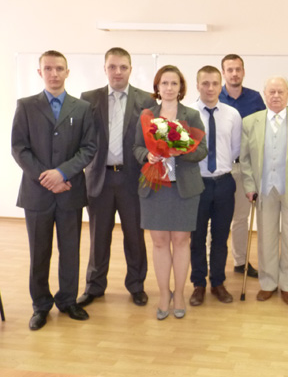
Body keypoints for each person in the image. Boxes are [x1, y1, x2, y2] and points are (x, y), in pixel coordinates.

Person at [11, 50, 97, 330]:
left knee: (70, 251)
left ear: (67, 72)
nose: (54, 73)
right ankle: (41, 305)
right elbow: (19, 148)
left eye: (59, 68)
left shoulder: (82, 108)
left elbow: (89, 148)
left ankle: (68, 300)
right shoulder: (26, 106)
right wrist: (46, 177)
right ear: (40, 72)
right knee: (39, 253)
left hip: (70, 191)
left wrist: (62, 173)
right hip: (37, 194)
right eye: (48, 68)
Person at [78, 47, 156, 309]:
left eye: (123, 67)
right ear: (105, 69)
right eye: (112, 66)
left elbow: (150, 142)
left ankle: (136, 285)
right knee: (98, 237)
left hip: (132, 180)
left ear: (130, 69)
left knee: (135, 236)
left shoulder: (146, 101)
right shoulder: (89, 99)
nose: (118, 72)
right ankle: (94, 286)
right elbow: (82, 140)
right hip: (99, 179)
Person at [133, 65, 207, 320]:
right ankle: (164, 294)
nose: (169, 88)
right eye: (164, 83)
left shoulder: (191, 115)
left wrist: (181, 151)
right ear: (157, 87)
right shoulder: (146, 116)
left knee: (181, 241)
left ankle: (180, 295)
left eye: (174, 83)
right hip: (155, 188)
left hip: (184, 189)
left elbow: (202, 150)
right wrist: (148, 154)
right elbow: (136, 148)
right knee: (159, 242)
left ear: (180, 88)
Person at [240, 76, 288, 305]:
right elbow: (244, 159)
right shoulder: (250, 122)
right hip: (264, 189)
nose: (275, 96)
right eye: (271, 92)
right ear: (265, 94)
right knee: (266, 238)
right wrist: (249, 186)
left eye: (280, 92)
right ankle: (268, 283)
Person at [189, 65, 242, 306]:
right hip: (196, 184)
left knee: (220, 237)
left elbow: (235, 149)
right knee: (197, 237)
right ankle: (198, 284)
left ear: (221, 86)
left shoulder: (232, 114)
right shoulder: (188, 114)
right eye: (205, 83)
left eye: (214, 83)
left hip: (223, 183)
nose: (210, 88)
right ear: (197, 85)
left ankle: (218, 282)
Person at [219, 54, 266, 278]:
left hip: (245, 167)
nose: (234, 73)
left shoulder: (255, 98)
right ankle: (212, 263)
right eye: (230, 70)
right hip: (220, 169)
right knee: (215, 220)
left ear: (244, 72)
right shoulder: (214, 97)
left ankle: (240, 262)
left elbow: (264, 130)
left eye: (238, 69)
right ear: (223, 73)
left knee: (240, 218)